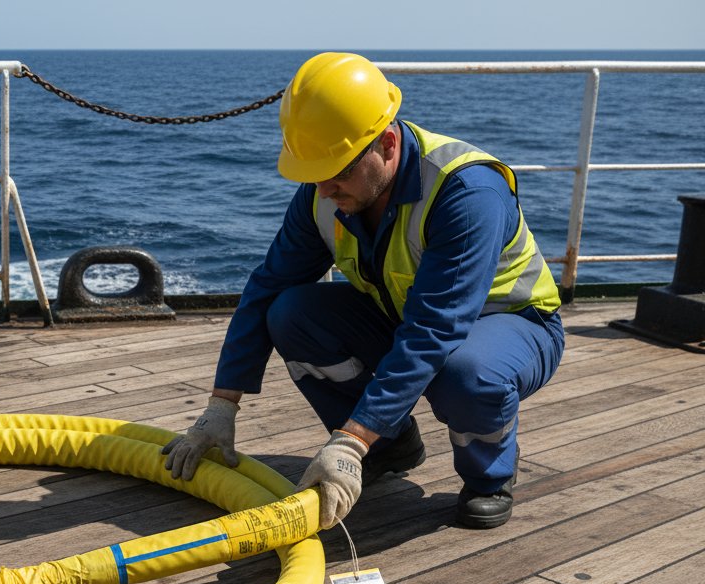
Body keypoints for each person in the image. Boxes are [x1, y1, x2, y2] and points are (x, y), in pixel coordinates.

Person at [163, 52, 564, 531]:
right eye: (315, 173)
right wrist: (220, 405)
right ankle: (391, 443)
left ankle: (488, 476)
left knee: (465, 373)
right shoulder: (325, 192)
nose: (326, 189)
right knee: (291, 312)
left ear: (388, 143)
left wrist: (350, 440)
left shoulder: (467, 193)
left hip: (513, 325)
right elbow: (269, 286)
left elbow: (436, 328)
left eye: (339, 171)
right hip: (403, 317)